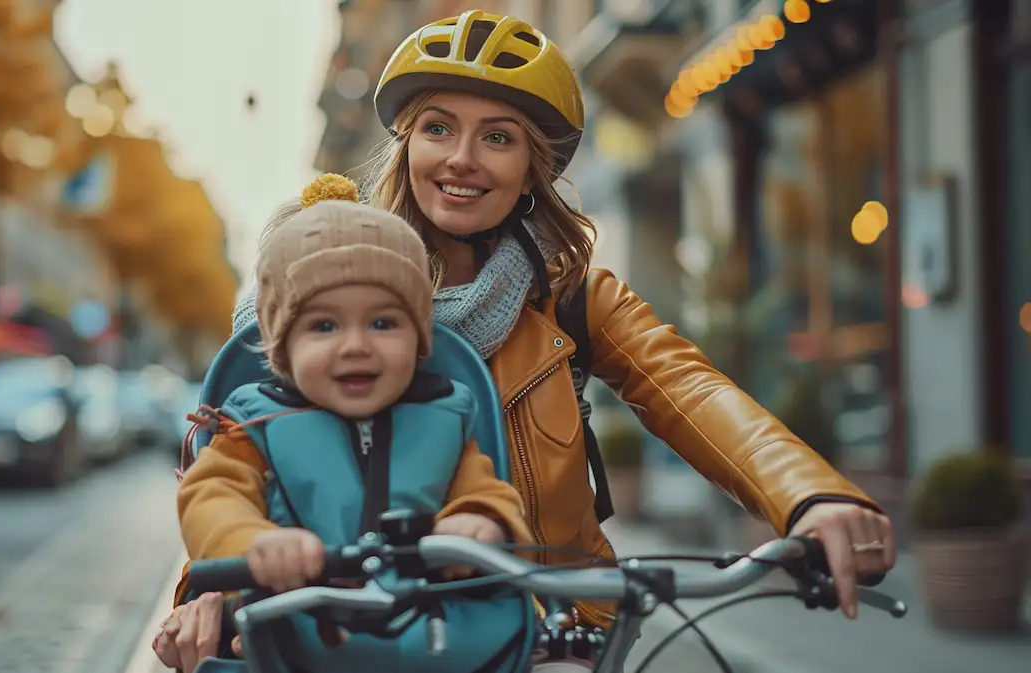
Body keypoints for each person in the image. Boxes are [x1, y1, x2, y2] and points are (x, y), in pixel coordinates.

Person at [156, 10, 896, 672]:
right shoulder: (323, 284)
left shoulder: (571, 298)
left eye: (499, 137)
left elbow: (692, 391)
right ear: (406, 143)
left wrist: (811, 497)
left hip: (546, 617)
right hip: (340, 630)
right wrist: (208, 586)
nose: (461, 159)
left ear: (533, 171)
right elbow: (238, 446)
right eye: (438, 127)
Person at [172, 180, 540, 673]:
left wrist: (480, 520)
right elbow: (210, 495)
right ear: (283, 347)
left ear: (419, 338)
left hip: (430, 631)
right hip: (296, 627)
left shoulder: (445, 415)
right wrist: (253, 541)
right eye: (324, 326)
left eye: (384, 324)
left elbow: (487, 488)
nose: (356, 346)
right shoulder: (253, 422)